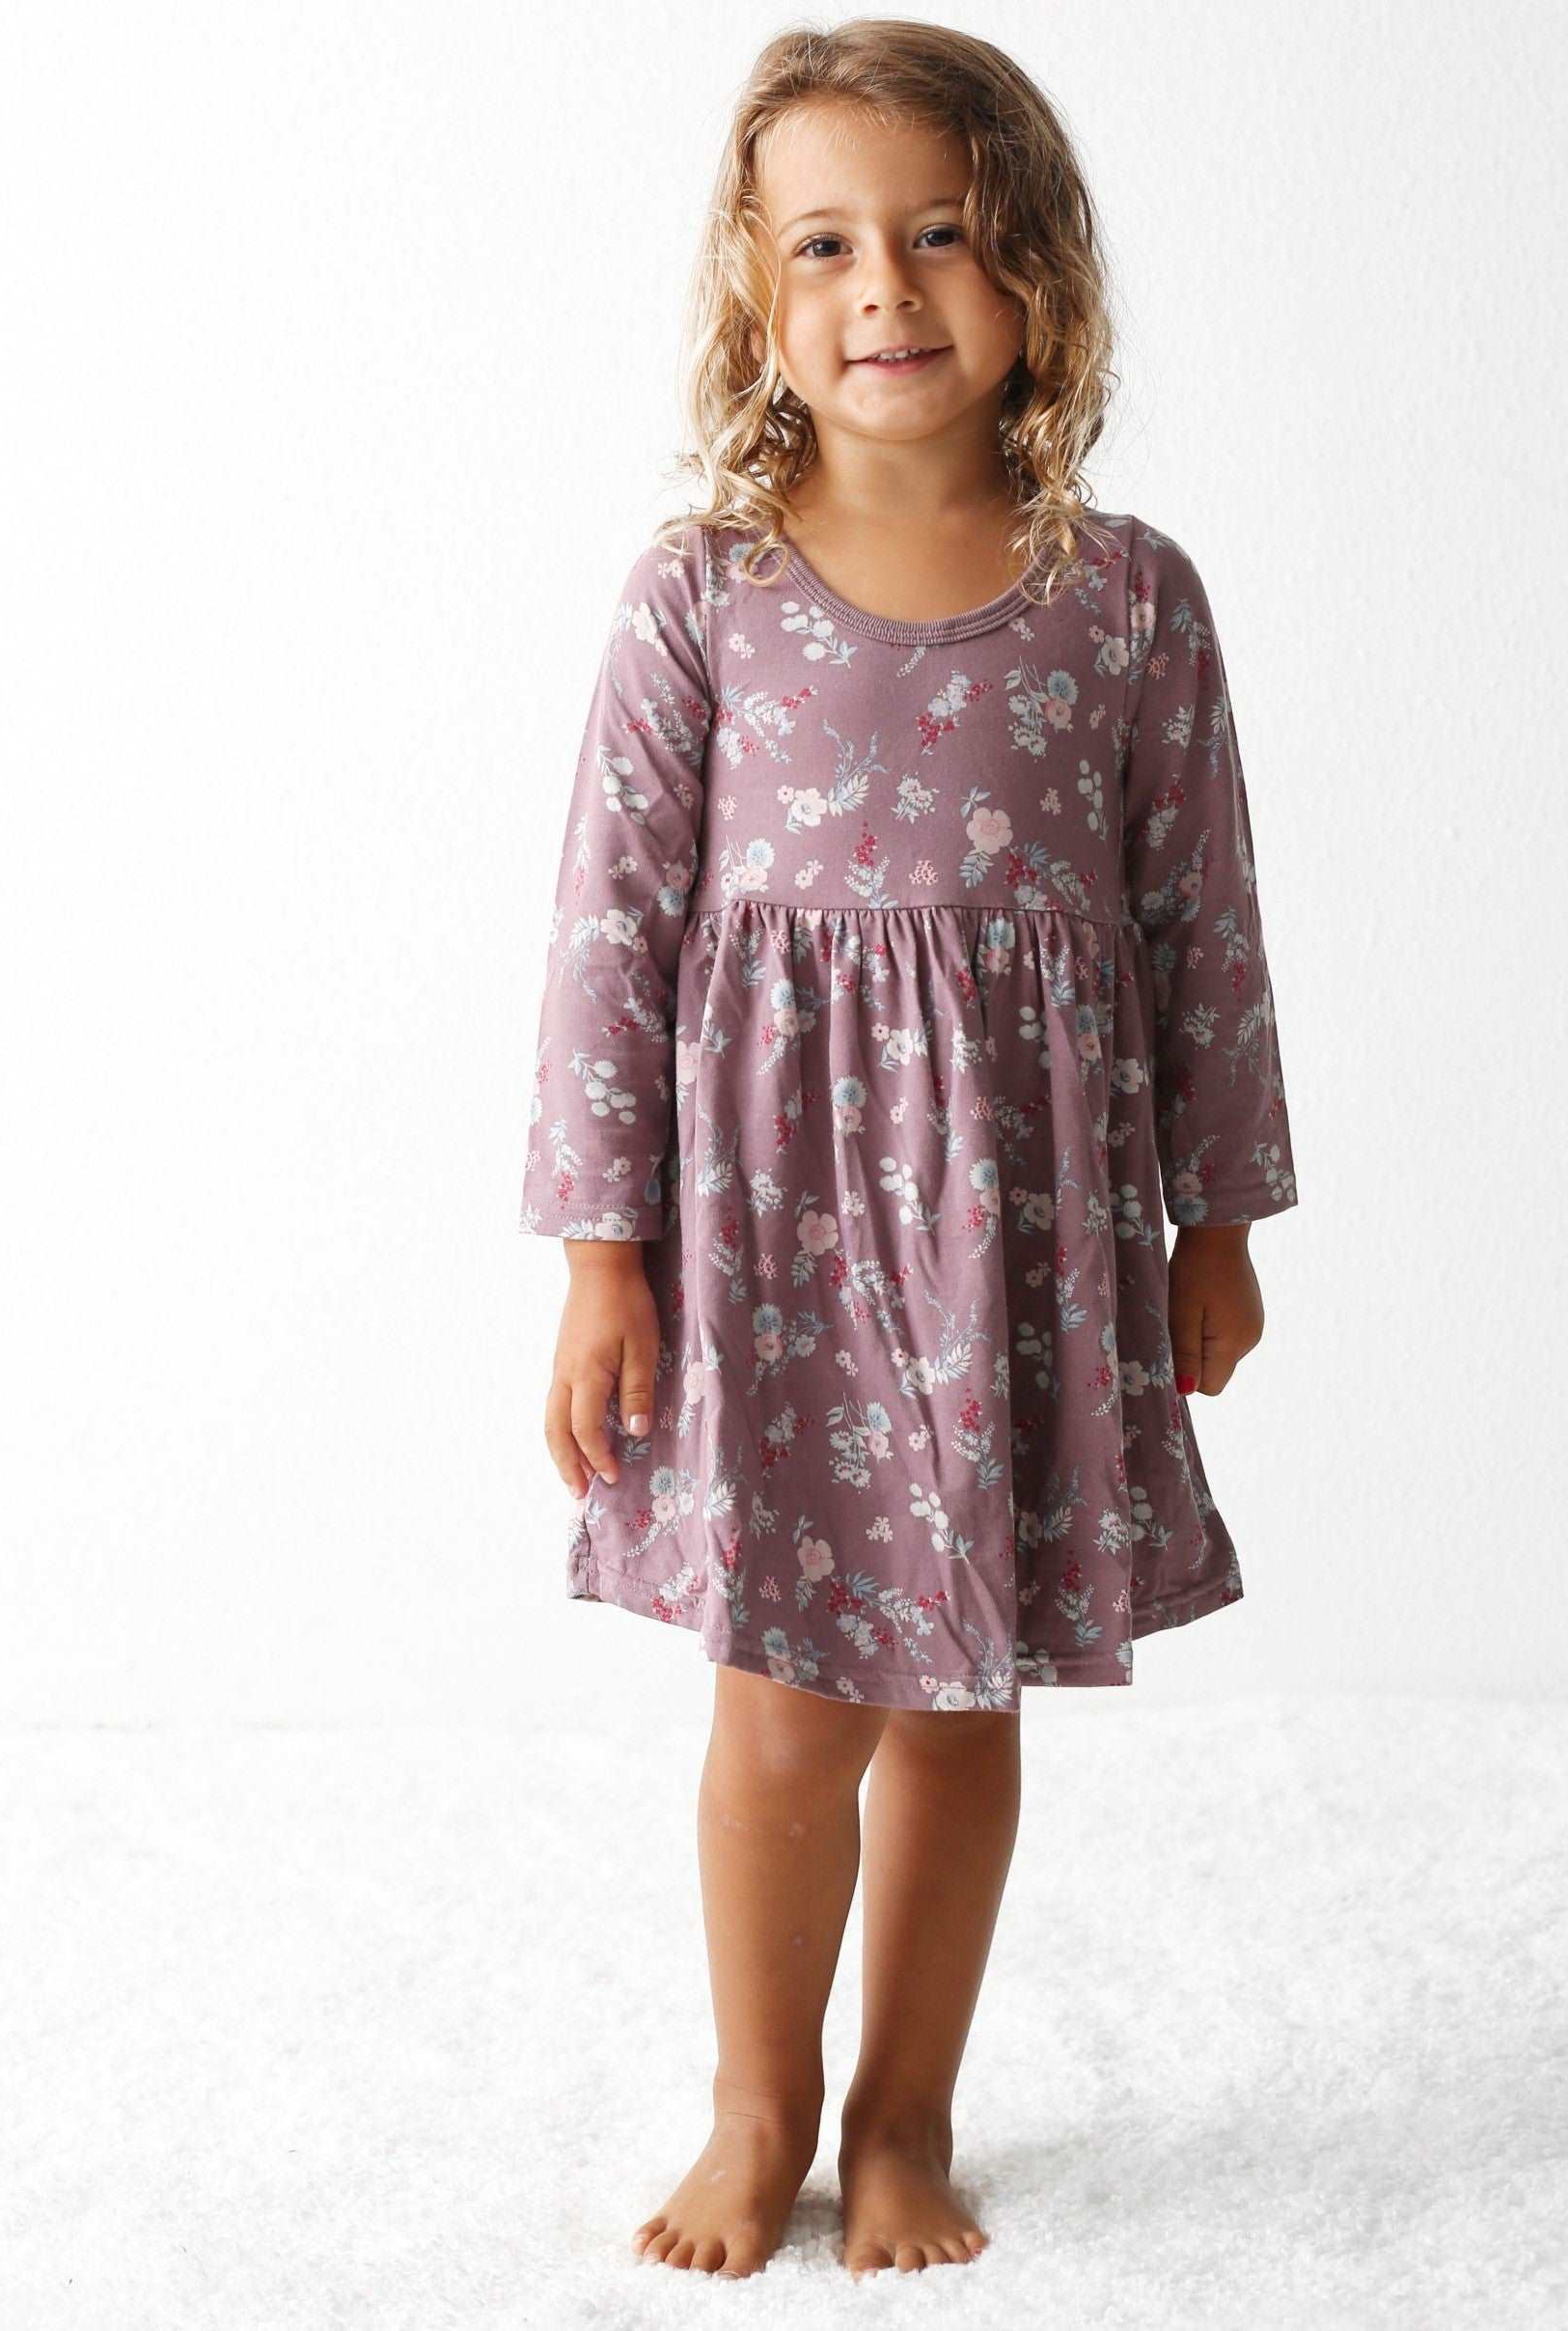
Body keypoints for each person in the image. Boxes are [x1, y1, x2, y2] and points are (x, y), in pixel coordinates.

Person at [516, 19, 1301, 2283]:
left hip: (1019, 1240)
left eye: (939, 234)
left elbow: (1201, 921)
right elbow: (605, 932)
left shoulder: (1125, 597)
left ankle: (903, 2107)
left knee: (957, 1704)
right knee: (783, 1709)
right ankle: (755, 2100)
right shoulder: (699, 595)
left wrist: (1216, 1219)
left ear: (1033, 270)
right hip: (764, 1237)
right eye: (825, 246)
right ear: (753, 292)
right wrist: (598, 1255)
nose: (883, 287)